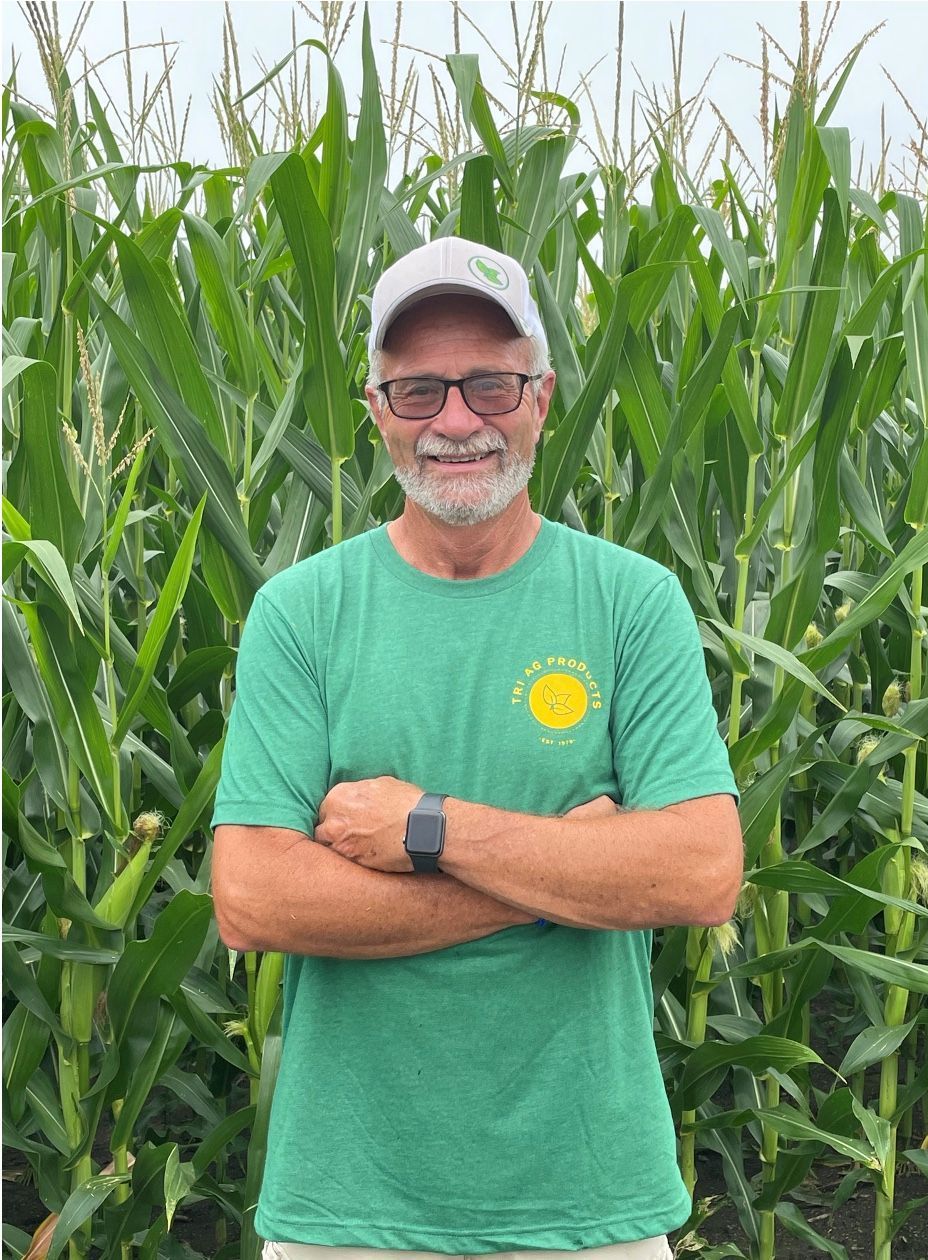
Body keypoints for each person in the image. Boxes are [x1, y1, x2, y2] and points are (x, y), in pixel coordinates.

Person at [211, 237, 743, 1260]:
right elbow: (253, 898)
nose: (456, 420)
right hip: (348, 1207)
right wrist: (568, 867)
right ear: (375, 414)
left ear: (539, 398)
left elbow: (700, 871)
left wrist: (426, 828)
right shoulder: (302, 614)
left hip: (589, 1203)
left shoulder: (630, 603)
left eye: (488, 384)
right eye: (417, 393)